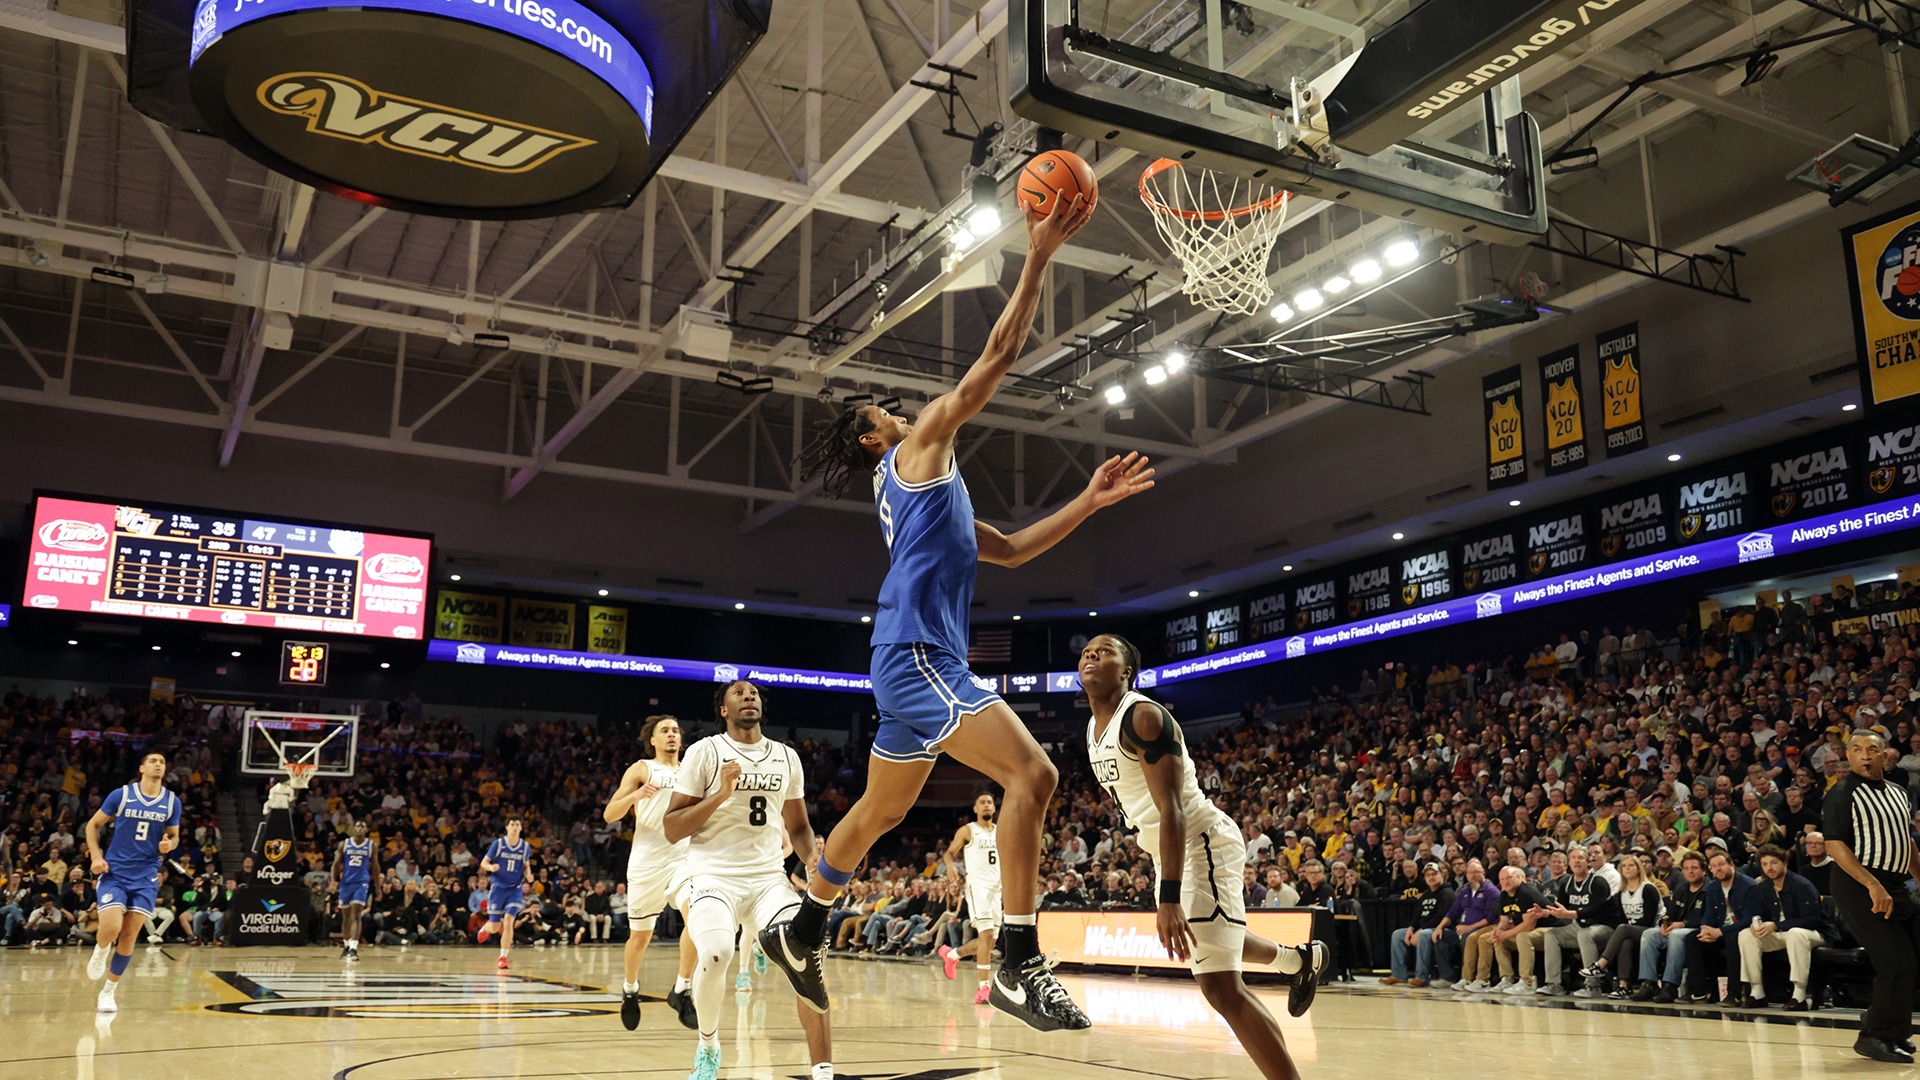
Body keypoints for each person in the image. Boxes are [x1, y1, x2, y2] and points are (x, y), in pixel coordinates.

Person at [774, 193, 1137, 1034]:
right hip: (919, 657)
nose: (901, 410)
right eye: (883, 414)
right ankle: (1017, 958)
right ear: (875, 439)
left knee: (880, 813)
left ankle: (805, 924)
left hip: (910, 657)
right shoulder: (917, 448)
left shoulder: (923, 491)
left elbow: (1005, 551)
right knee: (1034, 775)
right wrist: (1038, 252)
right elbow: (996, 357)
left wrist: (1087, 500)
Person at [1078, 635, 1326, 1080]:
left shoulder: (1143, 716)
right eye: (1087, 651)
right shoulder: (1092, 732)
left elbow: (1171, 810)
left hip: (1199, 840)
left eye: (1106, 651)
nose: (1092, 655)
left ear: (1127, 671)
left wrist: (1168, 899)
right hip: (1169, 849)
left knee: (1220, 986)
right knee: (1210, 944)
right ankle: (1299, 961)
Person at [664, 681, 833, 1080]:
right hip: (711, 875)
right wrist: (721, 794)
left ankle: (823, 1069)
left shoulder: (787, 756)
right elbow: (672, 828)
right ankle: (708, 1044)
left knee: (807, 952)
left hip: (767, 879)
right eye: (738, 693)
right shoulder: (705, 751)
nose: (748, 696)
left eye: (753, 692)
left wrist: (810, 857)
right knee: (717, 952)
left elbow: (799, 826)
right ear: (723, 709)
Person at [1822, 729, 1920, 1062]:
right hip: (1858, 885)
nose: (1865, 755)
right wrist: (1872, 885)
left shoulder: (1899, 793)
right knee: (1897, 962)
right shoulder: (1841, 793)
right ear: (1848, 756)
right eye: (1857, 749)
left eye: (1872, 749)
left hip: (1896, 884)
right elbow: (1834, 845)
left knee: (1915, 958)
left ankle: (1882, 1018)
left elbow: (1907, 842)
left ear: (1885, 755)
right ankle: (1877, 1035)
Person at [603, 714, 700, 1032]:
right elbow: (609, 814)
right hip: (646, 863)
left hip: (682, 860)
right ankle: (630, 989)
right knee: (640, 939)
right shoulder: (643, 769)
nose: (672, 734)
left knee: (698, 919)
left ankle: (682, 989)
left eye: (676, 730)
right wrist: (634, 796)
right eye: (665, 731)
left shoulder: (692, 771)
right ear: (653, 740)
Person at [84, 751, 181, 1013]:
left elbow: (175, 836)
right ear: (141, 767)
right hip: (115, 871)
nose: (158, 764)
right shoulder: (122, 795)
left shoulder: (172, 801)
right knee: (111, 927)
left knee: (129, 937)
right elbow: (92, 826)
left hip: (146, 875)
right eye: (153, 761)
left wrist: (168, 844)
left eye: (162, 761)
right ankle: (101, 950)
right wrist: (96, 856)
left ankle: (108, 992)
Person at [1734, 843, 1835, 1010]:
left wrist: (1776, 925)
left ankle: (1799, 994)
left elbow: (1812, 920)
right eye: (1765, 864)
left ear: (1784, 863)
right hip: (1783, 934)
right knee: (1745, 934)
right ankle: (1757, 991)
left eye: (1774, 862)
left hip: (1815, 934)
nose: (1769, 868)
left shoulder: (1801, 885)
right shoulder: (1763, 887)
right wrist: (1756, 923)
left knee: (1796, 933)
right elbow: (1759, 914)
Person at [935, 792, 1001, 1003]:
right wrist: (950, 865)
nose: (986, 806)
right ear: (975, 809)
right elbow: (948, 853)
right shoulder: (968, 830)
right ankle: (983, 989)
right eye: (982, 803)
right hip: (978, 887)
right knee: (986, 935)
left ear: (994, 808)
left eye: (989, 803)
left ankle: (952, 955)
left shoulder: (1001, 832)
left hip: (997, 889)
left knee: (989, 943)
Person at [1683, 849, 1760, 1005]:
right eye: (1714, 866)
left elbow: (1748, 919)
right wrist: (1705, 929)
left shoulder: (1748, 886)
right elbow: (1709, 915)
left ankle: (1734, 993)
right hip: (1720, 932)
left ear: (1731, 865)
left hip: (1743, 932)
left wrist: (1720, 932)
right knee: (1692, 938)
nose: (1718, 869)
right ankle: (1698, 992)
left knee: (1733, 937)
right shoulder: (1712, 889)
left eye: (1721, 865)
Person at [1633, 850, 1709, 1002]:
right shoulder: (1682, 889)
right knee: (1649, 934)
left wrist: (1683, 924)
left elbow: (1707, 918)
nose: (1690, 871)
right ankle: (1649, 983)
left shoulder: (1710, 890)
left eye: (1694, 868)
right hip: (1677, 929)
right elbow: (1669, 914)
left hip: (1698, 931)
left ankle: (1670, 985)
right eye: (1686, 868)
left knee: (1676, 934)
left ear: (1704, 870)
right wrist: (1663, 924)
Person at [1384, 862, 1456, 988]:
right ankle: (1399, 975)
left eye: (1434, 874)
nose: (1431, 877)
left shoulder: (1447, 893)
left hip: (1443, 929)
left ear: (1442, 875)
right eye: (1428, 875)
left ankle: (1422, 976)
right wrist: (1411, 928)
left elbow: (1441, 916)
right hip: (1425, 929)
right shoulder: (1427, 894)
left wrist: (1421, 929)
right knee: (1398, 934)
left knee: (1423, 935)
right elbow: (1417, 914)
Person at [477, 818, 533, 971]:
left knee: (509, 921)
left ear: (521, 828)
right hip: (498, 889)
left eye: (518, 824)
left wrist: (528, 875)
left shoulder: (525, 846)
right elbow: (483, 863)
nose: (515, 827)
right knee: (495, 927)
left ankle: (503, 958)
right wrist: (491, 867)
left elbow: (526, 866)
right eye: (512, 824)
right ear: (507, 827)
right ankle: (486, 929)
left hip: (515, 889)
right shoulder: (499, 844)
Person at [333, 820, 373, 962]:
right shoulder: (344, 844)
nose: (360, 828)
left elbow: (376, 866)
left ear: (366, 829)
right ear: (353, 829)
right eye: (357, 826)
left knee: (356, 914)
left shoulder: (371, 845)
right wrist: (334, 880)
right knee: (346, 916)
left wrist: (378, 887)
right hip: (346, 883)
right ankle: (346, 945)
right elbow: (336, 864)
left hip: (361, 883)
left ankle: (353, 948)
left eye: (363, 826)